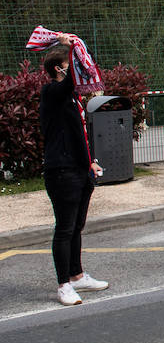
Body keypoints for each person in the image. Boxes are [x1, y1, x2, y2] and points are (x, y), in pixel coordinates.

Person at [39, 38, 108, 306]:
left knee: (77, 226)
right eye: (70, 65)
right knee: (65, 228)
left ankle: (77, 274)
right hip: (61, 171)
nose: (74, 71)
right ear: (59, 69)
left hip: (79, 170)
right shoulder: (52, 93)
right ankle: (64, 285)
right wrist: (71, 46)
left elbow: (78, 135)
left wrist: (89, 162)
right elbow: (72, 81)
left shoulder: (70, 98)